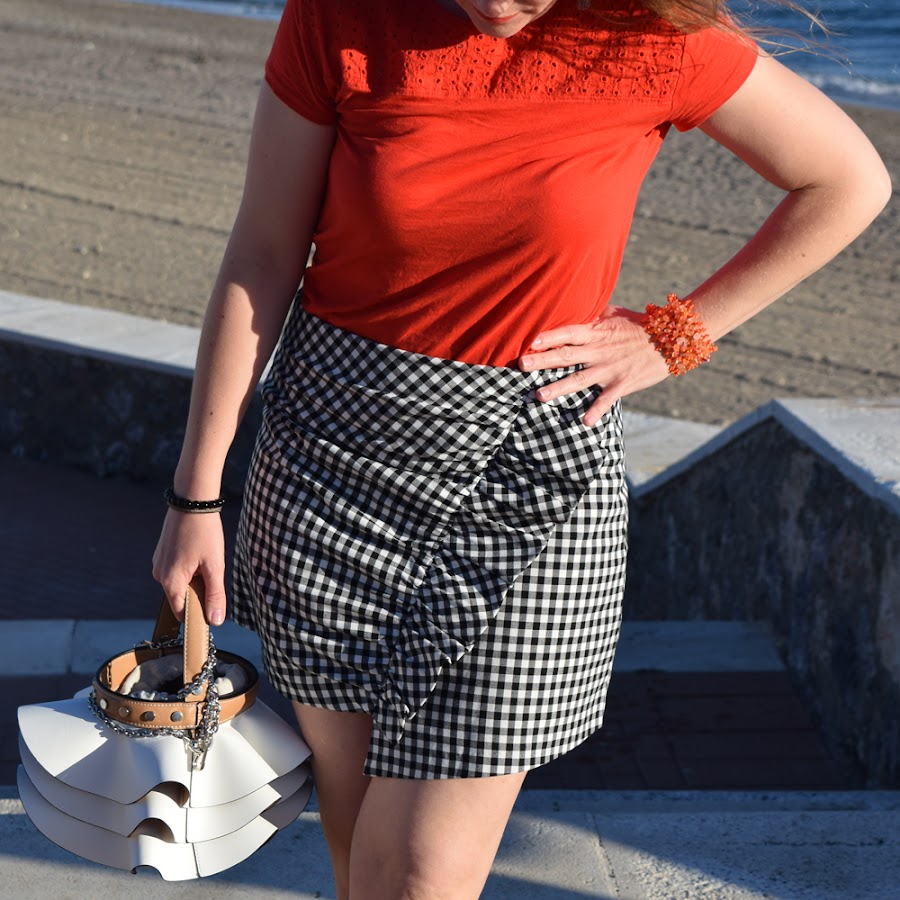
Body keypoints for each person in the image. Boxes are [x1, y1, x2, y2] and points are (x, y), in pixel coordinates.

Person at [152, 1, 890, 897]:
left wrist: (674, 336)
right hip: (331, 468)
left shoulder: (656, 35)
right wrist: (195, 496)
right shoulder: (339, 16)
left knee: (418, 873)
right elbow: (263, 257)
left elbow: (847, 180)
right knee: (356, 840)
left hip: (535, 480)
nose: (500, 3)